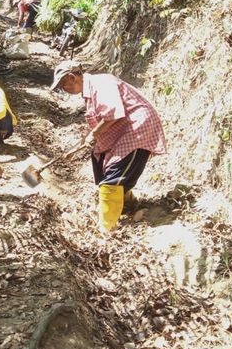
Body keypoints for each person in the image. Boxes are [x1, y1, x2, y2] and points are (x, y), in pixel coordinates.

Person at [49, 60, 166, 233]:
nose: (63, 89)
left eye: (63, 85)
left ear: (72, 77)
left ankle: (107, 228)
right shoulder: (90, 90)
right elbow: (101, 120)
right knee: (100, 161)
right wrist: (79, 145)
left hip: (138, 127)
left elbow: (112, 114)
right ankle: (127, 204)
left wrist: (93, 134)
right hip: (123, 129)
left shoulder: (101, 84)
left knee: (113, 176)